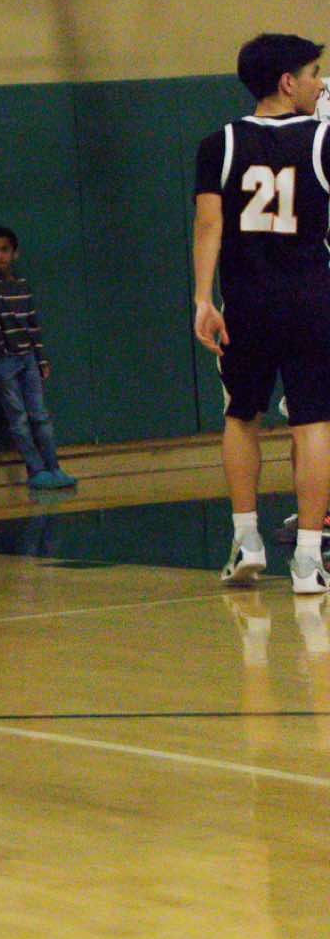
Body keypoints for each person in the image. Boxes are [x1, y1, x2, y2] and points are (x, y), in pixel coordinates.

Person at [193, 33, 330, 594]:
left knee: (241, 416)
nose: (320, 83)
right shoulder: (323, 139)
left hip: (246, 303)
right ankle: (308, 559)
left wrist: (202, 299)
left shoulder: (219, 144)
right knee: (313, 422)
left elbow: (209, 225)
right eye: (314, 73)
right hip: (312, 301)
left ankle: (246, 540)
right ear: (287, 82)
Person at [0, 226, 77, 490]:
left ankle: (54, 467)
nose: (0, 256)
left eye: (4, 250)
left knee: (40, 415)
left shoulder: (22, 285)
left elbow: (33, 324)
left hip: (28, 357)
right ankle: (36, 470)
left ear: (15, 253)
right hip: (3, 361)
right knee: (18, 419)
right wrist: (1, 351)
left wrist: (40, 358)